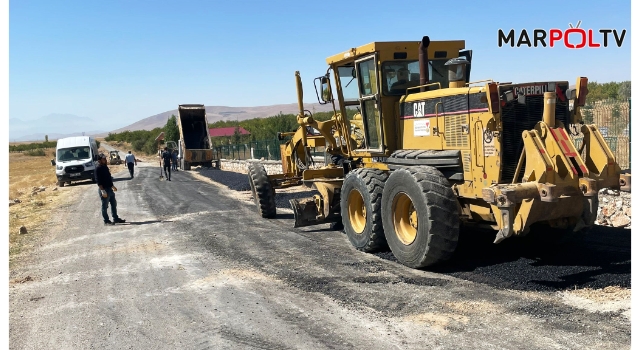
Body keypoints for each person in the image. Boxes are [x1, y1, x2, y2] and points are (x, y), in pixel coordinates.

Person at [95, 153, 125, 225]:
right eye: (103, 159)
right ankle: (106, 221)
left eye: (105, 159)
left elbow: (108, 178)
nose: (105, 160)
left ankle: (116, 218)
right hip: (104, 189)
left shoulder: (105, 167)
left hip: (109, 188)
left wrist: (112, 186)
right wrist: (102, 190)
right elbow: (98, 181)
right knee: (105, 206)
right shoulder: (97, 169)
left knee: (114, 204)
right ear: (99, 161)